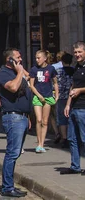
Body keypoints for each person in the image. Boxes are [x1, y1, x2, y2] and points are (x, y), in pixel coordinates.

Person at [0, 48, 31, 197]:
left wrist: (27, 116)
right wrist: (20, 72)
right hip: (13, 117)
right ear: (10, 60)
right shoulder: (3, 73)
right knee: (12, 153)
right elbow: (13, 87)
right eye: (18, 57)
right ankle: (7, 187)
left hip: (21, 117)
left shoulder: (16, 73)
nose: (21, 60)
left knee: (15, 154)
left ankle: (9, 185)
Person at [61, 41, 85, 175]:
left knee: (84, 138)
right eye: (75, 52)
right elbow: (72, 86)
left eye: (80, 52)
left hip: (83, 108)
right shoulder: (77, 67)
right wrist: (68, 104)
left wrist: (80, 91)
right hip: (74, 108)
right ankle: (75, 166)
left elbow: (77, 89)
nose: (77, 55)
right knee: (72, 138)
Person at [28, 49, 59, 153]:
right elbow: (31, 85)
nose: (37, 60)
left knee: (45, 121)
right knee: (39, 120)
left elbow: (55, 82)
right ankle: (38, 142)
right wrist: (38, 95)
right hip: (38, 97)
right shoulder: (33, 70)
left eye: (39, 58)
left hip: (48, 96)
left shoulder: (51, 69)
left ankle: (42, 144)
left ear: (45, 58)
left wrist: (57, 95)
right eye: (36, 58)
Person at [55, 53, 74, 147]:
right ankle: (72, 137)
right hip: (73, 97)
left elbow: (54, 84)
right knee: (71, 117)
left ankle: (64, 138)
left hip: (61, 97)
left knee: (62, 119)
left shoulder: (58, 71)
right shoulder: (75, 70)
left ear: (62, 61)